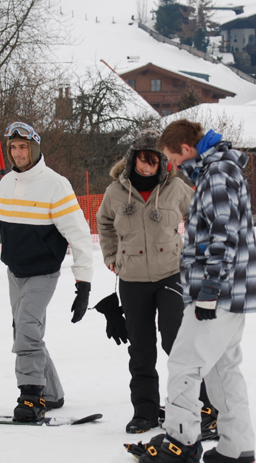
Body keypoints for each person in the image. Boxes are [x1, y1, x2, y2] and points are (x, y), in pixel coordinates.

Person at [127, 119, 256, 463]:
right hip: (230, 293)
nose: (173, 167)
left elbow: (224, 238)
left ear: (187, 150)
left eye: (172, 159)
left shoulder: (217, 174)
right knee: (222, 368)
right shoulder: (218, 170)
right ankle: (237, 444)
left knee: (184, 364)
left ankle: (182, 442)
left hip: (217, 294)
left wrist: (207, 292)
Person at [0, 121, 93, 422]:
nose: (18, 153)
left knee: (26, 329)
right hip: (15, 271)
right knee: (26, 331)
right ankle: (52, 393)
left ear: (34, 148)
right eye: (13, 147)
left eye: (23, 147)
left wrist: (83, 282)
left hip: (43, 271)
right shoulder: (6, 183)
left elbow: (79, 235)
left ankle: (31, 395)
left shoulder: (55, 184)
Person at [96, 128, 196, 434]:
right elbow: (104, 224)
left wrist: (195, 252)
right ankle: (145, 412)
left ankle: (199, 405)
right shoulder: (116, 192)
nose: (146, 166)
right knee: (140, 349)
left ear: (162, 162)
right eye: (141, 159)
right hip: (132, 279)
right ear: (132, 159)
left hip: (170, 274)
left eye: (153, 160)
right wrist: (111, 254)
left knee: (175, 341)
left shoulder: (176, 188)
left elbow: (199, 216)